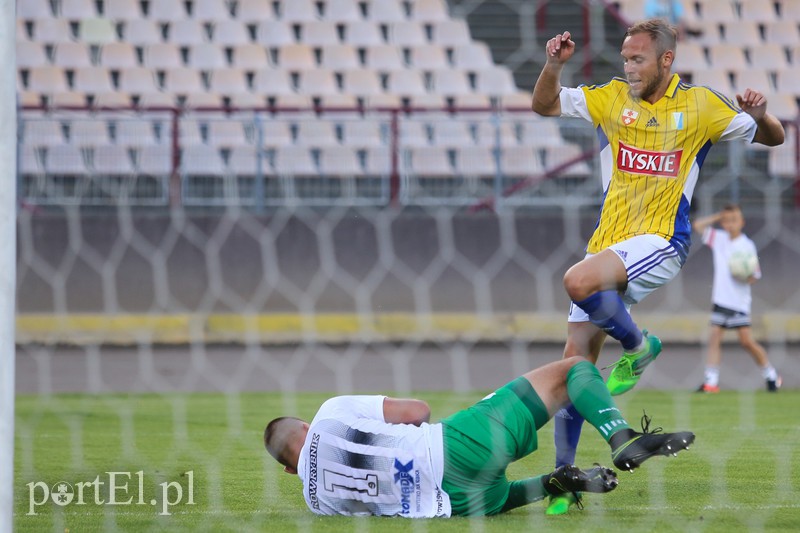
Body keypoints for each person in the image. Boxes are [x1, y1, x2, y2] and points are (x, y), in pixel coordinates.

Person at [531, 19, 784, 514]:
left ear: (666, 60)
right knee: (572, 368)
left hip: (662, 240)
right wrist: (554, 65)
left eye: (638, 59)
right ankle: (564, 474)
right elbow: (544, 104)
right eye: (625, 58)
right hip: (609, 245)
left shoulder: (701, 106)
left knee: (576, 279)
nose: (628, 67)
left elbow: (772, 138)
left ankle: (639, 345)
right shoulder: (610, 98)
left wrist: (763, 114)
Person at [264, 356, 694, 517]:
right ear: (304, 426)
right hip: (452, 448)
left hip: (453, 505)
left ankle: (555, 482)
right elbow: (418, 412)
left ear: (288, 469)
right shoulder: (328, 414)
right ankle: (622, 439)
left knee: (500, 494)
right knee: (572, 371)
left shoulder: (315, 502)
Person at [692, 204, 781, 393]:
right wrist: (718, 216)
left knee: (746, 341)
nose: (730, 224)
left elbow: (754, 276)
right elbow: (698, 225)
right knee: (714, 337)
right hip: (720, 299)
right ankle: (711, 382)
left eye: (734, 220)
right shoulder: (719, 239)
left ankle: (771, 375)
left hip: (738, 301)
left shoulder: (746, 245)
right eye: (727, 220)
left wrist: (743, 275)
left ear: (742, 222)